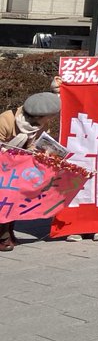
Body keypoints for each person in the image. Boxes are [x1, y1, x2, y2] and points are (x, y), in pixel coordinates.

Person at [1, 92, 65, 251]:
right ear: (40, 116)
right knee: (4, 198)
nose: (51, 119)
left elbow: (32, 145)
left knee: (16, 196)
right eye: (50, 116)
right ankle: (3, 237)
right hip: (4, 164)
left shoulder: (40, 125)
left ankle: (8, 230)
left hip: (20, 165)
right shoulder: (6, 120)